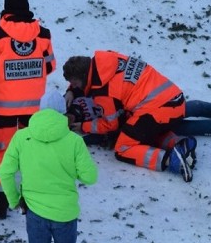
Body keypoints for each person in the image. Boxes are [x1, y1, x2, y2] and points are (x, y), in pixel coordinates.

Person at [0, 91, 98, 243]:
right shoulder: (73, 140)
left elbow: (4, 172)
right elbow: (90, 177)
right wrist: (69, 172)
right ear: (62, 111)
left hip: (34, 212)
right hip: (65, 214)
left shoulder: (22, 137)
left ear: (39, 110)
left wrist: (15, 200)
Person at [61, 51, 198, 182]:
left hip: (157, 110)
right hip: (174, 99)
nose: (74, 86)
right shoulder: (107, 59)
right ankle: (180, 144)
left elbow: (110, 125)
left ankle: (171, 159)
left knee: (123, 147)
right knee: (139, 133)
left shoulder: (103, 92)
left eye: (75, 83)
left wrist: (84, 126)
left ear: (84, 77)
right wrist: (71, 91)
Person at [0, 0, 56, 218]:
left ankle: (1, 203)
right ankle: (30, 200)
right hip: (34, 109)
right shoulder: (43, 34)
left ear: (6, 9)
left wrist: (5, 74)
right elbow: (51, 65)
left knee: (5, 154)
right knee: (30, 153)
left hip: (4, 107)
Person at [68, 94, 211, 152]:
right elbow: (105, 136)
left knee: (185, 110)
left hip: (144, 111)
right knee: (189, 124)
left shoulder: (77, 96)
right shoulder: (80, 131)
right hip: (142, 122)